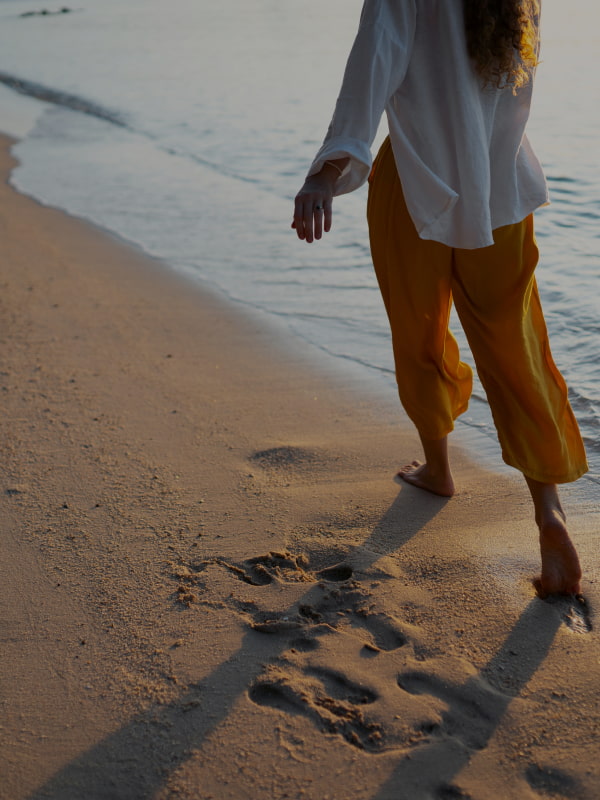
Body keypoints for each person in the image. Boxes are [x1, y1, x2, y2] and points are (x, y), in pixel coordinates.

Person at [292, 0, 587, 598]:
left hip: (415, 182)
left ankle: (440, 468)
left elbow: (370, 70)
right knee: (516, 346)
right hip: (501, 188)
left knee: (419, 326)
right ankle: (548, 510)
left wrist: (327, 172)